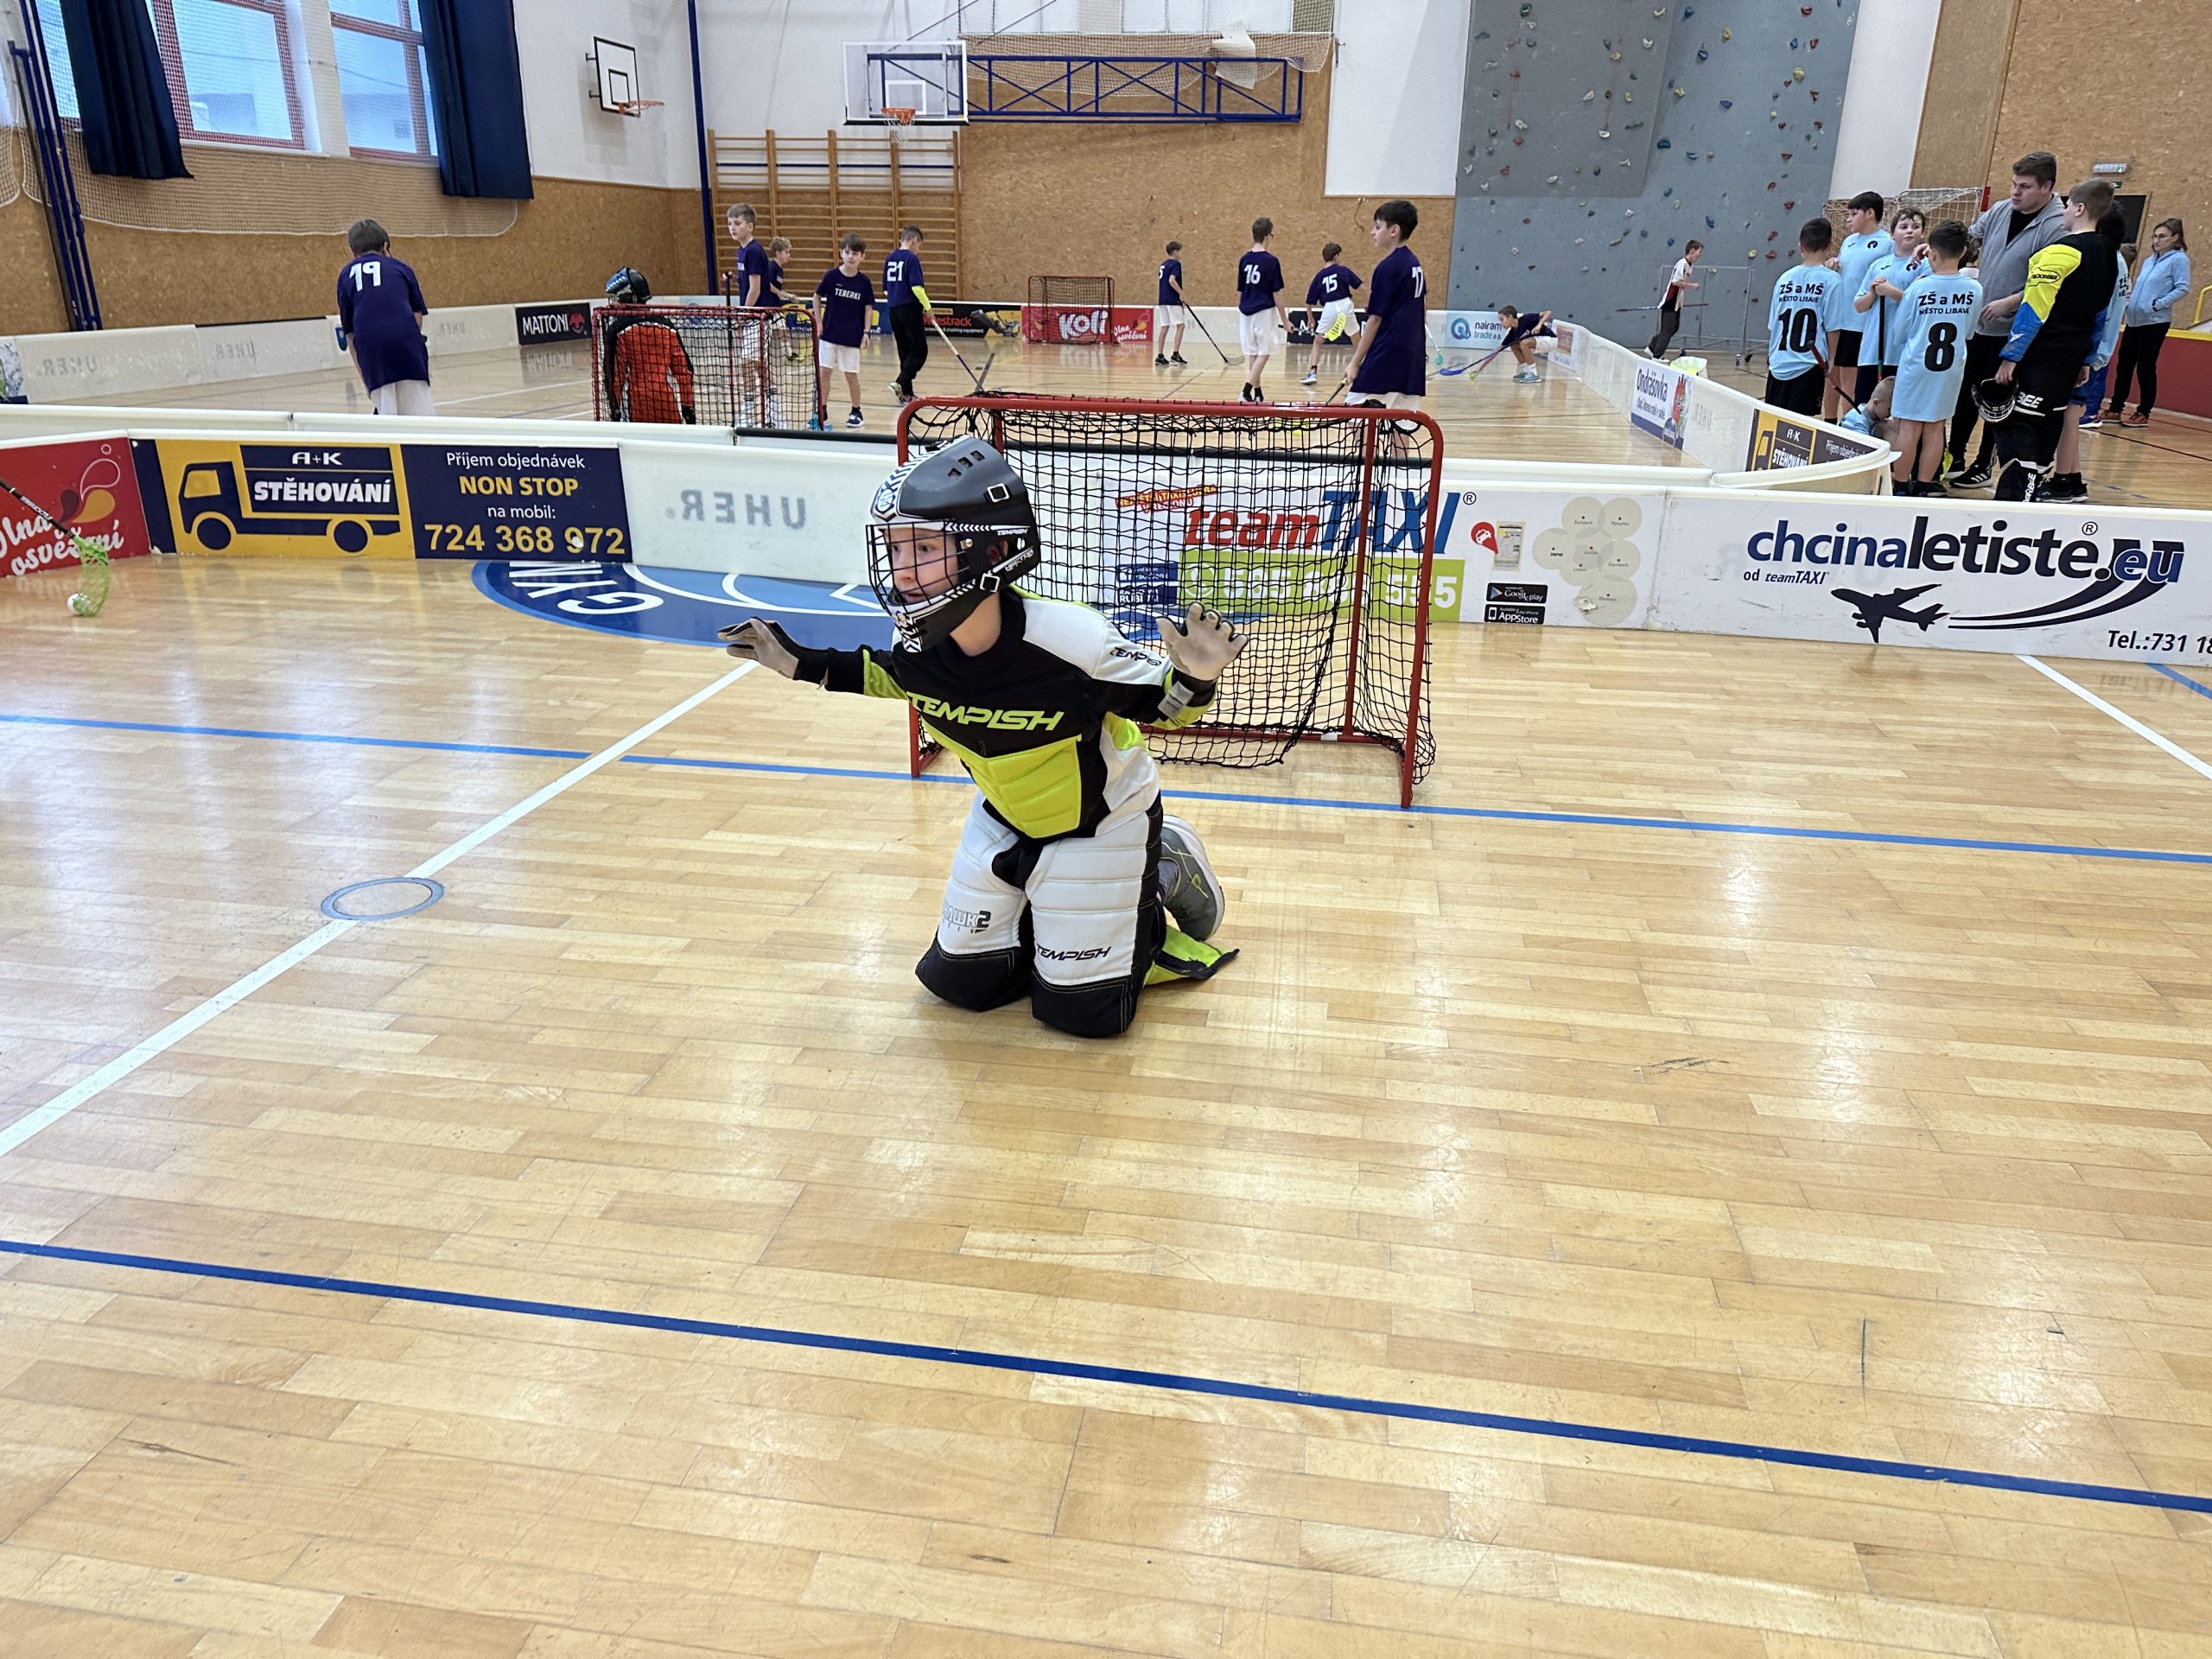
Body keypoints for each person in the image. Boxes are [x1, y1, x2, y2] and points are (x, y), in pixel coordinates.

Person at [717, 439, 1238, 1039]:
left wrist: (1197, 678)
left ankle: (1163, 865)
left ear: (992, 551)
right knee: (961, 984)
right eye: (896, 547)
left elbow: (1166, 709)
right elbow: (891, 676)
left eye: (924, 548)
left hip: (1102, 819)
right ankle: (1058, 904)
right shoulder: (921, 644)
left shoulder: (1075, 643)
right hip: (1005, 813)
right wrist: (799, 663)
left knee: (1081, 1013)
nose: (903, 568)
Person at [1989, 179, 2119, 502]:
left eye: (2067, 204)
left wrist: (2011, 355)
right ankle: (2034, 495)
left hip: (2042, 355)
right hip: (2072, 356)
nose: (2063, 210)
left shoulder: (2057, 253)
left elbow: (2034, 309)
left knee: (2018, 423)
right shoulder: (2109, 254)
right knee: (2051, 421)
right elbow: (2101, 313)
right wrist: (2087, 358)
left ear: (2080, 208)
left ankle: (2014, 499)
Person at [1946, 151, 2067, 486]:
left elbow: (2051, 284)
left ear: (2047, 187)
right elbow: (1971, 238)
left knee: (1997, 401)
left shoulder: (2057, 227)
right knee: (1967, 393)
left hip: (2015, 331)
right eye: (2014, 184)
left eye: (2025, 186)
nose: (2015, 192)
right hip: (1981, 324)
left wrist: (2011, 301)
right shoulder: (2001, 210)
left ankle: (1984, 463)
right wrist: (1939, 249)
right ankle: (1955, 455)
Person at [2040, 209, 2130, 502]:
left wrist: (2088, 356)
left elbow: (2099, 312)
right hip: (2097, 349)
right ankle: (2075, 480)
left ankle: (2062, 482)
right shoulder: (2116, 261)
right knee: (2072, 415)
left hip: (2089, 351)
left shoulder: (2104, 262)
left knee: (2069, 417)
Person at [1887, 219, 1980, 494]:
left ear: (1933, 253)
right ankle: (1925, 485)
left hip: (1917, 366)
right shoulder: (1974, 289)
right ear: (1963, 252)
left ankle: (1900, 485)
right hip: (1950, 368)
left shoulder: (1918, 288)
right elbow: (1969, 331)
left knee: (1909, 428)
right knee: (1936, 428)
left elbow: (1899, 333)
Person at [335, 218, 432, 416]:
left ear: (352, 251)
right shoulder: (401, 268)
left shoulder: (345, 275)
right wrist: (411, 346)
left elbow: (351, 335)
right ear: (386, 246)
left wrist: (366, 378)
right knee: (419, 411)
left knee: (386, 409)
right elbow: (417, 315)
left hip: (371, 349)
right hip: (406, 343)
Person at [1346, 199, 1427, 410]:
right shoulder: (1414, 263)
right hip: (1412, 357)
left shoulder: (1388, 267)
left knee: (1355, 415)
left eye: (1377, 226)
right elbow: (1422, 308)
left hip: (1388, 354)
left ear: (1394, 230)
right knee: (1402, 422)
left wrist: (1355, 362)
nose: (1372, 232)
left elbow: (1374, 320)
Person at [2109, 218, 2190, 425]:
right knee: (2124, 366)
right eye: (2155, 236)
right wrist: (2130, 302)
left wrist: (2157, 305)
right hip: (2134, 321)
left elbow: (2182, 288)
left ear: (2175, 237)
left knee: (2145, 367)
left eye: (2162, 236)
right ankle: (2115, 408)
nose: (2156, 240)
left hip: (2155, 322)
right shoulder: (2149, 261)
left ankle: (2143, 412)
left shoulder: (2178, 260)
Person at [1825, 191, 1892, 418]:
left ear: (1870, 213)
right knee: (1831, 374)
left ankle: (1849, 425)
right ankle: (1829, 421)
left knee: (1849, 379)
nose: (1848, 219)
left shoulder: (1886, 244)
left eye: (1854, 214)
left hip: (1860, 322)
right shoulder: (1849, 241)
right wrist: (1833, 263)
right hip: (1838, 319)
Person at [601, 267, 695, 424]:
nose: (614, 305)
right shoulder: (667, 327)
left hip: (638, 406)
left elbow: (615, 378)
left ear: (629, 298)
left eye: (617, 299)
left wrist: (615, 410)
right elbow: (685, 371)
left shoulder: (617, 331)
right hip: (667, 403)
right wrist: (688, 408)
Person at [1764, 218, 1838, 416]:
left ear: (1800, 247)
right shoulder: (1831, 280)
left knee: (1774, 423)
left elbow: (1773, 325)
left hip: (1778, 362)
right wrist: (1832, 361)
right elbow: (1832, 327)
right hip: (1809, 364)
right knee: (1801, 427)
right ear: (1829, 245)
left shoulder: (1784, 279)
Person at [1854, 207, 1928, 387]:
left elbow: (1920, 304)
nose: (1910, 231)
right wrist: (1873, 293)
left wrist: (1890, 291)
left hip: (1903, 352)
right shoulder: (1878, 265)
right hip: (1872, 351)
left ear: (1923, 233)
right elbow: (1859, 305)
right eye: (1904, 227)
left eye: (1915, 227)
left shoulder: (1926, 265)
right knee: (1866, 401)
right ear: (1893, 235)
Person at [811, 233, 874, 429]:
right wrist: (818, 322)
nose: (851, 257)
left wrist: (866, 332)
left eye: (855, 253)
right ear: (841, 253)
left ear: (862, 256)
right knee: (824, 373)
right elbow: (816, 296)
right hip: (829, 334)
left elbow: (868, 308)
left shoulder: (864, 282)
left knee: (851, 375)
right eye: (847, 252)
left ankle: (856, 411)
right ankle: (821, 410)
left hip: (852, 336)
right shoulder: (831, 276)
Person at [1235, 217, 1287, 402]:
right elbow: (1277, 294)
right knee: (1265, 351)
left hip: (1245, 312)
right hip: (1263, 311)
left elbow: (1240, 291)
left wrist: (1243, 309)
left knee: (1254, 352)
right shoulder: (1271, 261)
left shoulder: (1244, 259)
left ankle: (1257, 392)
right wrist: (1285, 321)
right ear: (1267, 236)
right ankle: (1246, 390)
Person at [1299, 242, 1362, 385]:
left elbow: (1309, 301)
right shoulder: (1343, 270)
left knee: (1318, 341)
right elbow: (1360, 286)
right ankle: (1362, 369)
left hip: (1330, 307)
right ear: (1336, 257)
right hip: (1345, 304)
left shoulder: (1320, 276)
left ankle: (1313, 373)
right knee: (1356, 339)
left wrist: (1310, 318)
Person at [884, 225, 931, 403]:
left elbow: (886, 289)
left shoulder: (890, 258)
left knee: (905, 351)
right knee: (919, 350)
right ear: (914, 241)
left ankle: (907, 394)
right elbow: (917, 288)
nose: (918, 249)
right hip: (909, 308)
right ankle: (899, 382)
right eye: (919, 245)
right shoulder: (911, 259)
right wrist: (928, 308)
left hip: (893, 309)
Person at [1649, 239, 1701, 359]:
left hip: (1677, 302)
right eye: (1699, 252)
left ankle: (1652, 347)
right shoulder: (1682, 264)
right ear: (1692, 251)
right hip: (1671, 301)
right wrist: (1691, 286)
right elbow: (1676, 282)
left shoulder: (1690, 266)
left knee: (1674, 327)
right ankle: (1656, 356)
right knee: (1667, 330)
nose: (1699, 255)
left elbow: (1683, 283)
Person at [1494, 303, 1555, 383]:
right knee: (1513, 345)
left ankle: (1533, 374)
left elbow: (1548, 312)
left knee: (1524, 343)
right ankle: (1527, 371)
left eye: (1502, 319)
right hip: (1539, 342)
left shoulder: (1526, 319)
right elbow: (1499, 348)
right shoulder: (1512, 334)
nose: (1501, 323)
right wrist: (1480, 368)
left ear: (1510, 317)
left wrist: (1539, 325)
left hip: (1550, 339)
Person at [1154, 240, 1187, 368]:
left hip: (1162, 300)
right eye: (1180, 252)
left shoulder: (1163, 265)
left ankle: (1160, 356)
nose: (1181, 254)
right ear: (1175, 252)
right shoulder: (1176, 264)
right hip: (1173, 300)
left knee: (1164, 327)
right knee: (1181, 326)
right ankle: (1175, 355)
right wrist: (1182, 294)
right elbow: (1171, 280)